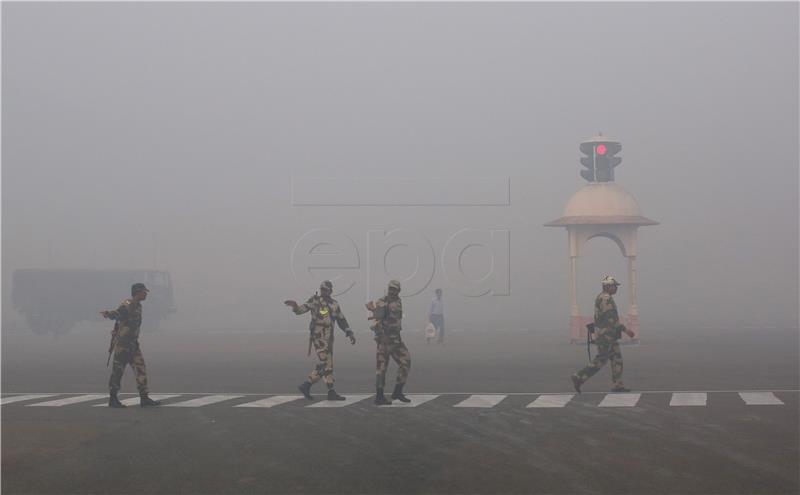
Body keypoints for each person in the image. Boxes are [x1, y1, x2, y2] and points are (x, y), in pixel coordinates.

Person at [285, 280, 355, 401]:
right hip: (318, 338)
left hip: (329, 339)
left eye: (326, 290)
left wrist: (349, 332)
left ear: (330, 291)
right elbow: (302, 309)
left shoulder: (334, 304)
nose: (323, 292)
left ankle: (328, 391)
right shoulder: (315, 301)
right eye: (322, 289)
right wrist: (295, 306)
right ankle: (307, 385)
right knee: (324, 363)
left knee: (328, 365)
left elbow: (341, 320)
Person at [101, 283, 161, 408]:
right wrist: (109, 314)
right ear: (137, 292)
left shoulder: (138, 306)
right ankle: (113, 399)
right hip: (123, 345)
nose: (145, 294)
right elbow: (118, 313)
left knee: (140, 369)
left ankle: (144, 398)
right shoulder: (129, 304)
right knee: (118, 372)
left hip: (133, 344)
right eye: (144, 292)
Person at [571, 276, 635, 393]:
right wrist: (625, 330)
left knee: (617, 359)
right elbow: (611, 320)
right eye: (614, 286)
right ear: (607, 286)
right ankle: (579, 376)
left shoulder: (604, 298)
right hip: (606, 336)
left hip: (609, 335)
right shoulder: (605, 299)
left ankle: (618, 385)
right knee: (601, 360)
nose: (616, 288)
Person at [366, 280, 411, 405]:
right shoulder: (382, 302)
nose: (392, 291)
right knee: (381, 368)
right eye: (390, 288)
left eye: (395, 289)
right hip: (384, 341)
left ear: (398, 291)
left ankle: (397, 391)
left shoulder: (398, 301)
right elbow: (376, 322)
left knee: (406, 361)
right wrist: (381, 337)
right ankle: (379, 396)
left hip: (396, 340)